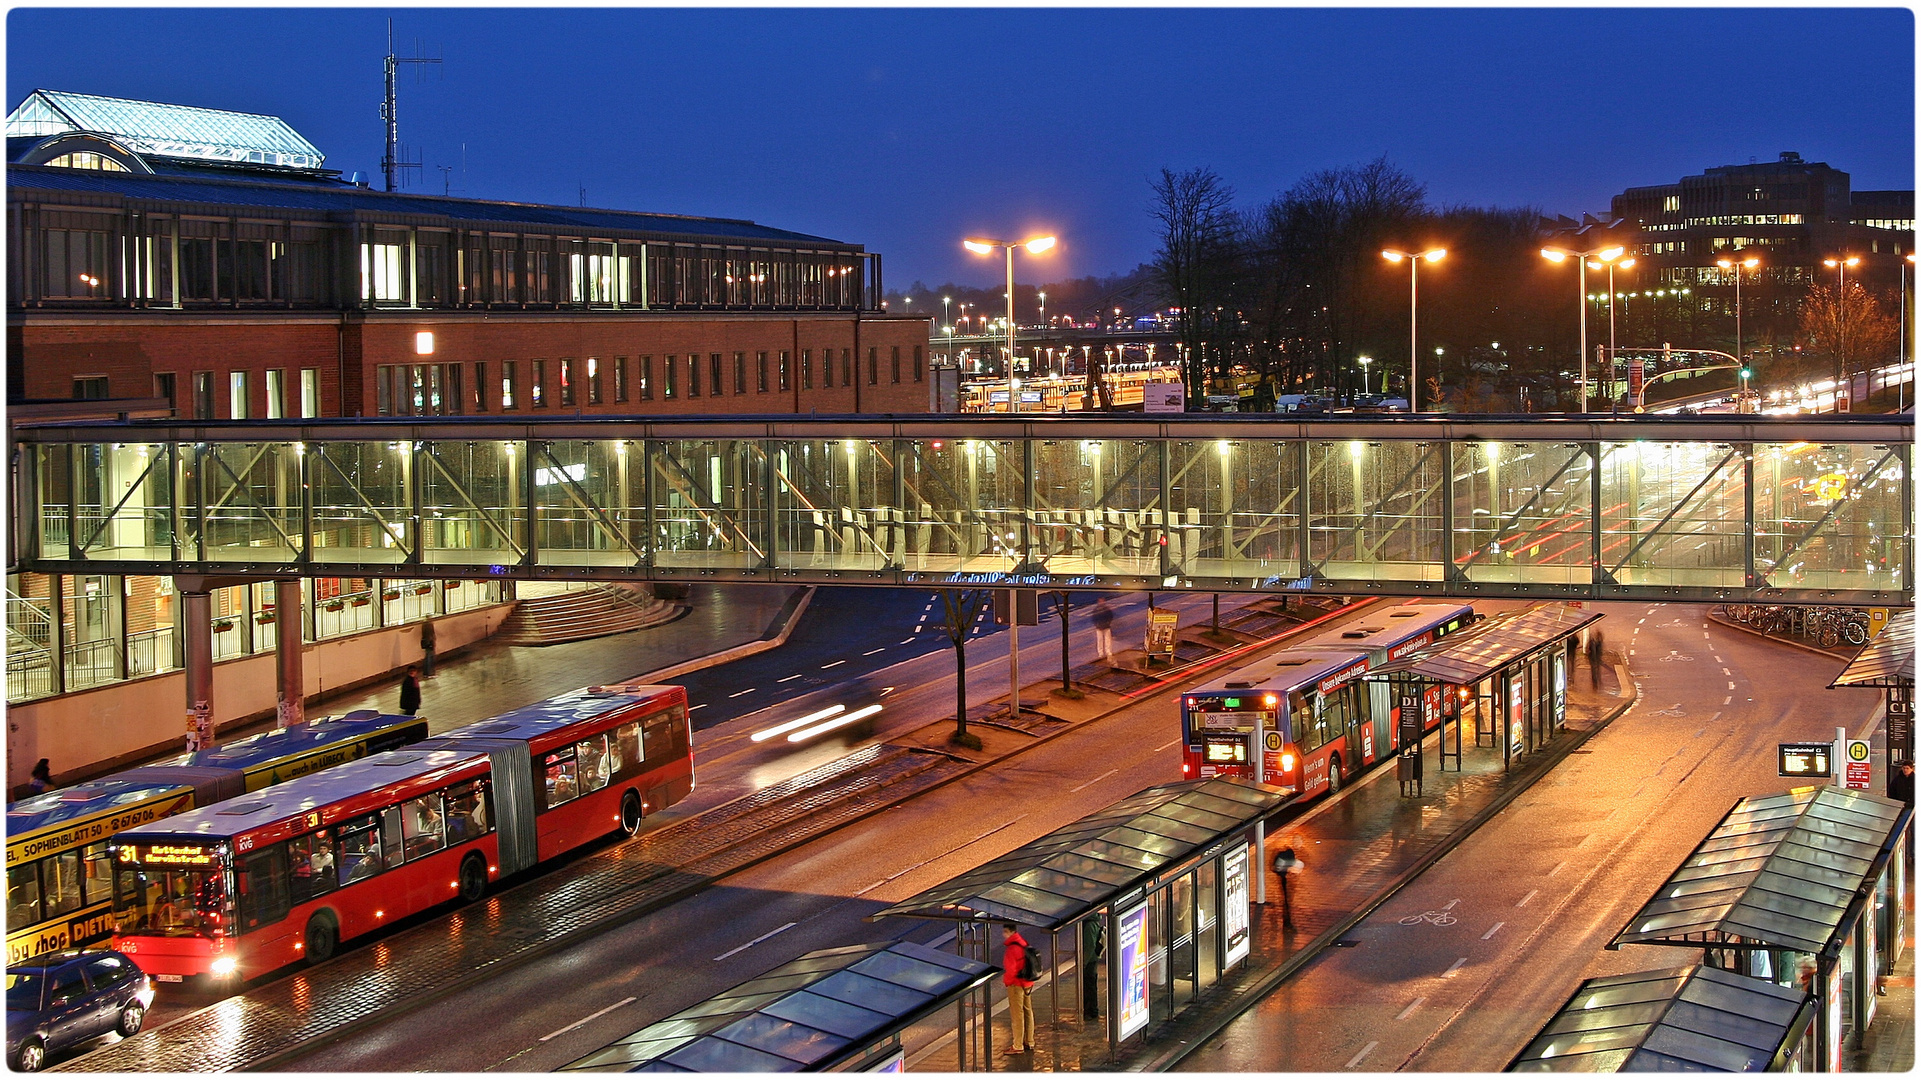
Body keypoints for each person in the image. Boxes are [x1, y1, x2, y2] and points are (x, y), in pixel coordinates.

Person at [1002, 923, 1036, 1055]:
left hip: (1016, 984)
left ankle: (1018, 1045)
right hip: (1027, 983)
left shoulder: (1012, 948)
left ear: (1010, 932)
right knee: (1028, 1011)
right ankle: (1030, 1041)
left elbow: (1011, 970)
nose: (1003, 935)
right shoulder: (1023, 943)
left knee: (1017, 1015)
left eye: (1005, 932)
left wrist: (1007, 982)